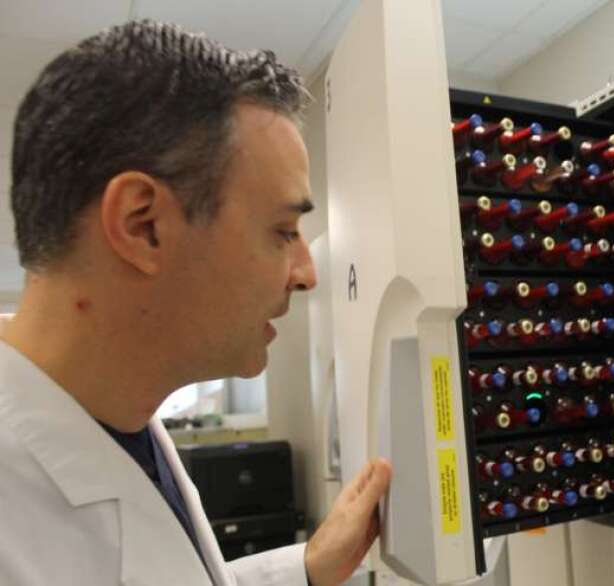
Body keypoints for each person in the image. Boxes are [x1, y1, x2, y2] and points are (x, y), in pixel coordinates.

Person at [0, 19, 391, 586]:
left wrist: (305, 568)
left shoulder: (116, 415)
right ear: (144, 226)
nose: (307, 274)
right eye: (284, 231)